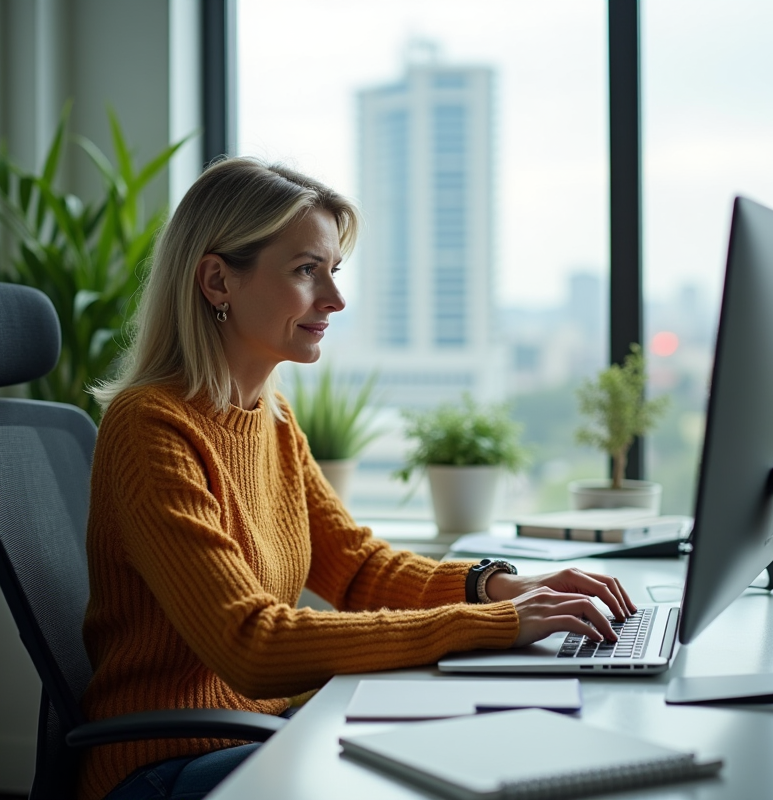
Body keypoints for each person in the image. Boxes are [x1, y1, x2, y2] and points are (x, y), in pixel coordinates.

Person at [80, 157, 637, 800]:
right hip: (164, 767)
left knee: (499, 739)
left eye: (332, 272)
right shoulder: (151, 428)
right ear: (216, 281)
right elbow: (251, 644)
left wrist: (500, 585)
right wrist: (500, 622)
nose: (335, 300)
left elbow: (357, 568)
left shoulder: (272, 419)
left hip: (260, 733)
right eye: (305, 271)